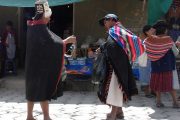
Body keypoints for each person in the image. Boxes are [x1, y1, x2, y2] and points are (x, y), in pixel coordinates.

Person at [25, 0, 76, 120]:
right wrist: (66, 41)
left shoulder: (32, 26)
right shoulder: (41, 28)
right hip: (41, 66)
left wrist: (63, 41)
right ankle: (46, 117)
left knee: (31, 90)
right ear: (43, 16)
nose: (49, 19)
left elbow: (50, 41)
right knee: (43, 89)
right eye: (48, 16)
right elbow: (53, 44)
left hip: (31, 65)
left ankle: (29, 116)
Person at [97, 14, 144, 120]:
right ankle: (119, 112)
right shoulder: (117, 31)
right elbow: (113, 45)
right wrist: (103, 47)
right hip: (116, 64)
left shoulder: (116, 31)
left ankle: (113, 114)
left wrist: (105, 49)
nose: (105, 24)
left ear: (111, 20)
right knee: (117, 88)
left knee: (115, 88)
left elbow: (114, 46)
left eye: (105, 21)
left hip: (116, 65)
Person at [144, 20, 180, 108]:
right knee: (171, 84)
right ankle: (175, 102)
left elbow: (147, 49)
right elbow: (176, 53)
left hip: (156, 67)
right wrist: (178, 45)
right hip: (168, 66)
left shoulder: (149, 40)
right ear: (165, 30)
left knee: (158, 84)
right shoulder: (168, 40)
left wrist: (152, 32)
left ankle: (158, 101)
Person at [138, 25, 155, 98]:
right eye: (151, 30)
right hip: (146, 60)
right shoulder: (146, 41)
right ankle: (147, 92)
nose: (153, 31)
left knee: (151, 76)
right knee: (146, 77)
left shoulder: (152, 39)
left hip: (150, 60)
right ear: (147, 32)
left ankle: (152, 91)